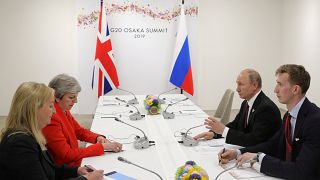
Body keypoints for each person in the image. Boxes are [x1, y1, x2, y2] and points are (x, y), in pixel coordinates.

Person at [219, 64, 320, 179]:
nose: (275, 90)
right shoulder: (288, 115)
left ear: (295, 89)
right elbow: (273, 144)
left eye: (280, 84)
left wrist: (260, 158)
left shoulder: (315, 120)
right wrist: (238, 153)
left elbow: (301, 171)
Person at [0, 82, 104, 180]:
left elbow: (46, 169)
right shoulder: (19, 144)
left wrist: (77, 170)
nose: (54, 111)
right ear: (34, 109)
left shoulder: (28, 135)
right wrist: (86, 179)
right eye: (50, 106)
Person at [42, 74, 122, 166]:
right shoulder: (51, 118)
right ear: (57, 97)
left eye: (76, 97)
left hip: (75, 161)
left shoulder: (63, 109)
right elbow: (67, 154)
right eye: (71, 97)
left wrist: (97, 138)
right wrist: (101, 147)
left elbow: (79, 131)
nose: (75, 101)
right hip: (67, 170)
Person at [194, 69, 282, 147]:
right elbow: (236, 125)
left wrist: (223, 130)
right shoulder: (246, 102)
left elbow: (254, 140)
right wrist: (214, 133)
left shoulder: (266, 108)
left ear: (254, 85)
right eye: (237, 84)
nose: (237, 89)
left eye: (241, 84)